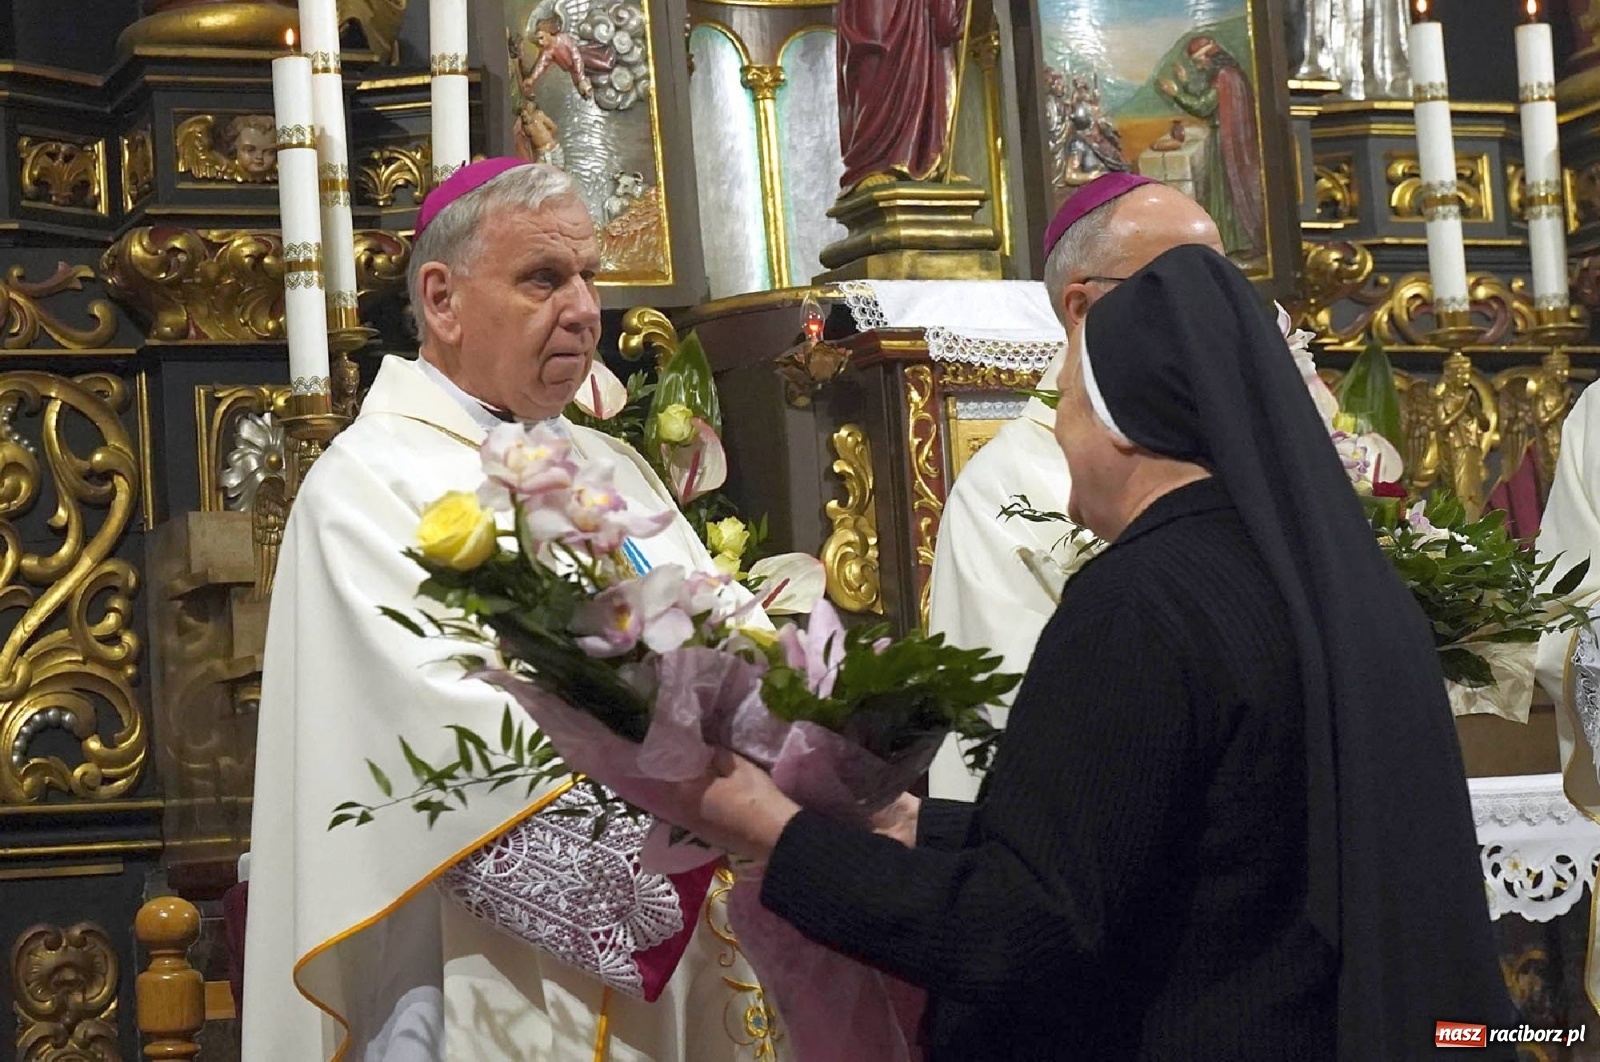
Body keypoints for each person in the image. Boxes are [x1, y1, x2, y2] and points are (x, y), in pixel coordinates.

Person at [648, 245, 1514, 1058]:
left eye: (1061, 401)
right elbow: (1173, 846)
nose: (1056, 434)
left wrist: (769, 826)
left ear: (1125, 425)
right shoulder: (1328, 581)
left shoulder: (1139, 602)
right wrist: (913, 824)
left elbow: (1022, 932)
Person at [241, 159, 774, 1062]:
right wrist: (714, 799)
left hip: (702, 927)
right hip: (489, 976)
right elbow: (443, 735)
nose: (583, 308)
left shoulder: (609, 463)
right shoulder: (365, 487)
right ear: (442, 300)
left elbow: (722, 623)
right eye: (543, 279)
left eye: (590, 276)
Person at [925, 172, 1221, 799]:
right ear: (1081, 307)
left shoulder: (1248, 446)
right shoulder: (1005, 489)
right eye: (1175, 282)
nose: (1215, 308)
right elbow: (1008, 726)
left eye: (1223, 280)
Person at [1157, 36, 1267, 263]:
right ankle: (1228, 241)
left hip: (1227, 142)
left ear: (1210, 56)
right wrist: (1185, 83)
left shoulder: (1225, 77)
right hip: (1231, 138)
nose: (1199, 66)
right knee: (1223, 191)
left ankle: (1239, 243)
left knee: (1229, 190)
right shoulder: (1229, 74)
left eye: (1199, 61)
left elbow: (1203, 106)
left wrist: (1175, 92)